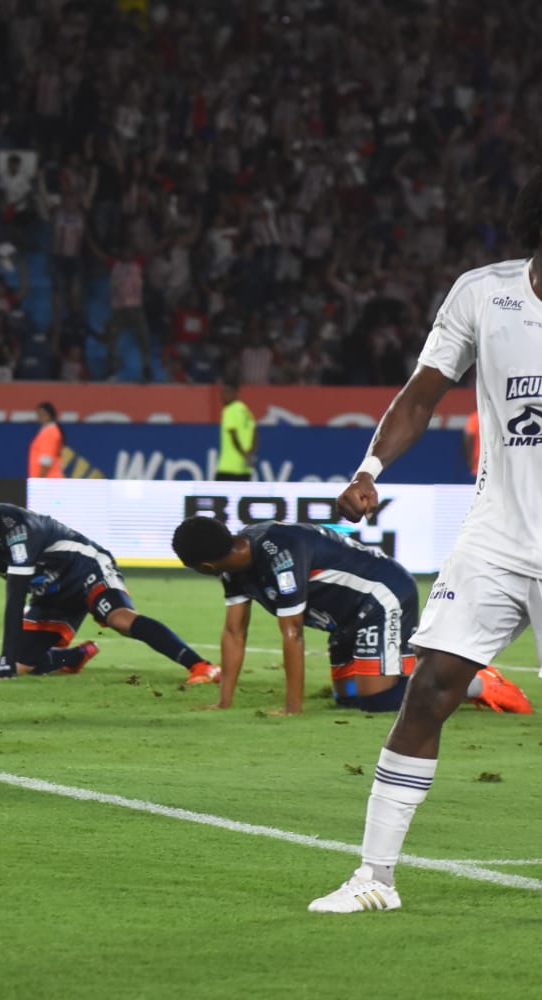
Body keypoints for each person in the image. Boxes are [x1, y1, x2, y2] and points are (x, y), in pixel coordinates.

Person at [308, 173, 542, 914]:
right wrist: (369, 469)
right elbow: (423, 391)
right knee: (430, 688)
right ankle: (374, 877)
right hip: (498, 536)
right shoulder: (483, 293)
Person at [171, 516, 530, 716]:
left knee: (379, 703)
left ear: (205, 566)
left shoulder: (279, 552)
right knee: (349, 697)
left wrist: (292, 708)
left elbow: (292, 633)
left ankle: (476, 681)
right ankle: (409, 665)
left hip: (381, 596)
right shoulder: (234, 567)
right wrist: (224, 700)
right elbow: (234, 632)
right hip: (343, 617)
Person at [0, 468, 221, 684]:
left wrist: (4, 662)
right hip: (50, 591)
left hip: (85, 570)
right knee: (23, 664)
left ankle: (201, 666)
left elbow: (16, 596)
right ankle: (74, 656)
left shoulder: (16, 528)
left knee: (119, 618)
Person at [214, 379, 257, 481]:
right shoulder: (245, 410)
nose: (223, 396)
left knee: (217, 495)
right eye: (222, 393)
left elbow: (233, 435)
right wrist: (250, 454)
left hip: (228, 467)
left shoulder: (229, 410)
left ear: (234, 393)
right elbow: (255, 434)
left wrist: (244, 454)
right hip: (245, 468)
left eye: (226, 392)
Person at [27, 401, 65, 479]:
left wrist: (40, 480)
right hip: (47, 480)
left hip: (48, 481)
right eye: (38, 414)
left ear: (49, 415)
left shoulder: (49, 432)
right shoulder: (48, 431)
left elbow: (46, 458)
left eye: (42, 414)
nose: (39, 417)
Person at [462, 409, 480, 478]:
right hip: (492, 462)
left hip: (478, 462)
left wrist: (469, 459)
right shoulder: (475, 417)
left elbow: (467, 439)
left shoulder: (475, 417)